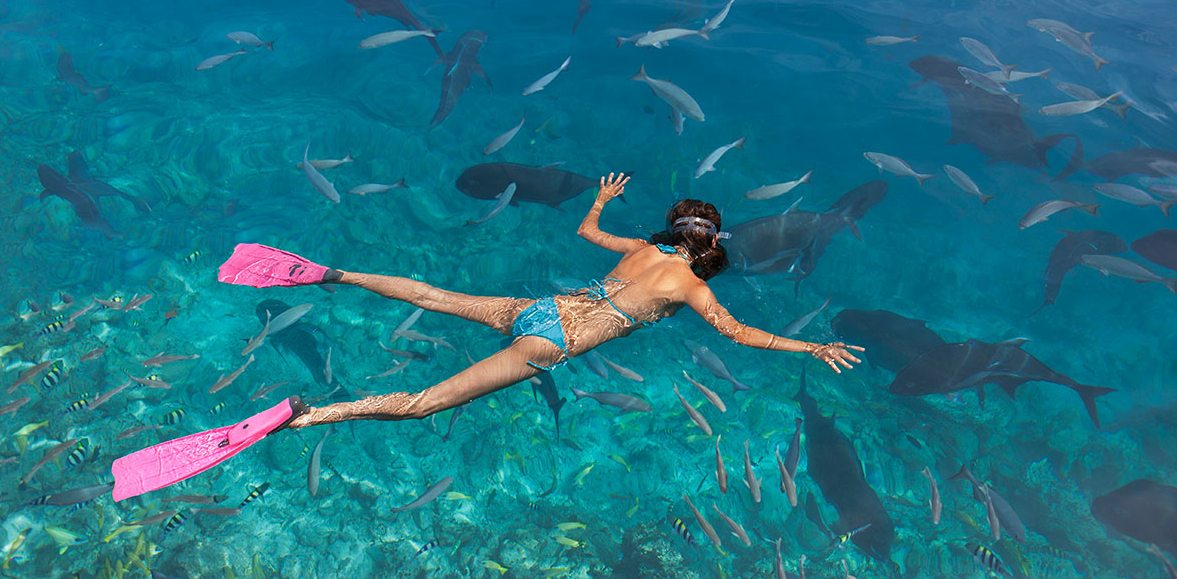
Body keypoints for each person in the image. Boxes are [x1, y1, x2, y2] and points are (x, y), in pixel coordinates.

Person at [215, 173, 862, 430]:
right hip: (550, 342)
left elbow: (584, 233)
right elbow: (740, 334)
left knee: (434, 294)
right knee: (421, 405)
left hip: (540, 306)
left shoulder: (642, 246)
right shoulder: (690, 286)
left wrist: (603, 198)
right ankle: (306, 417)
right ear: (709, 242)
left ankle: (329, 274)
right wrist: (813, 345)